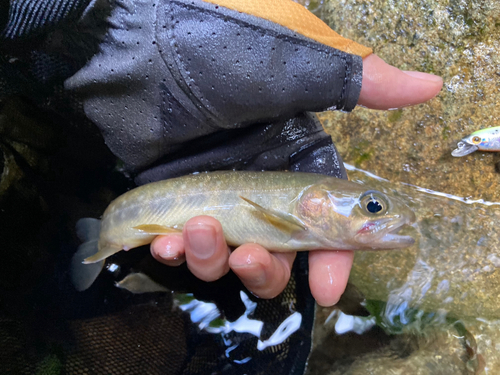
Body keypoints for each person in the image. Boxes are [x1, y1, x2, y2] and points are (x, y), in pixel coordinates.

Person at [1, 0, 442, 308]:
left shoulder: (305, 223)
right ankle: (105, 238)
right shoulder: (300, 220)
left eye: (371, 207)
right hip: (120, 216)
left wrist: (108, 12)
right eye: (372, 206)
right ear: (315, 202)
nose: (376, 214)